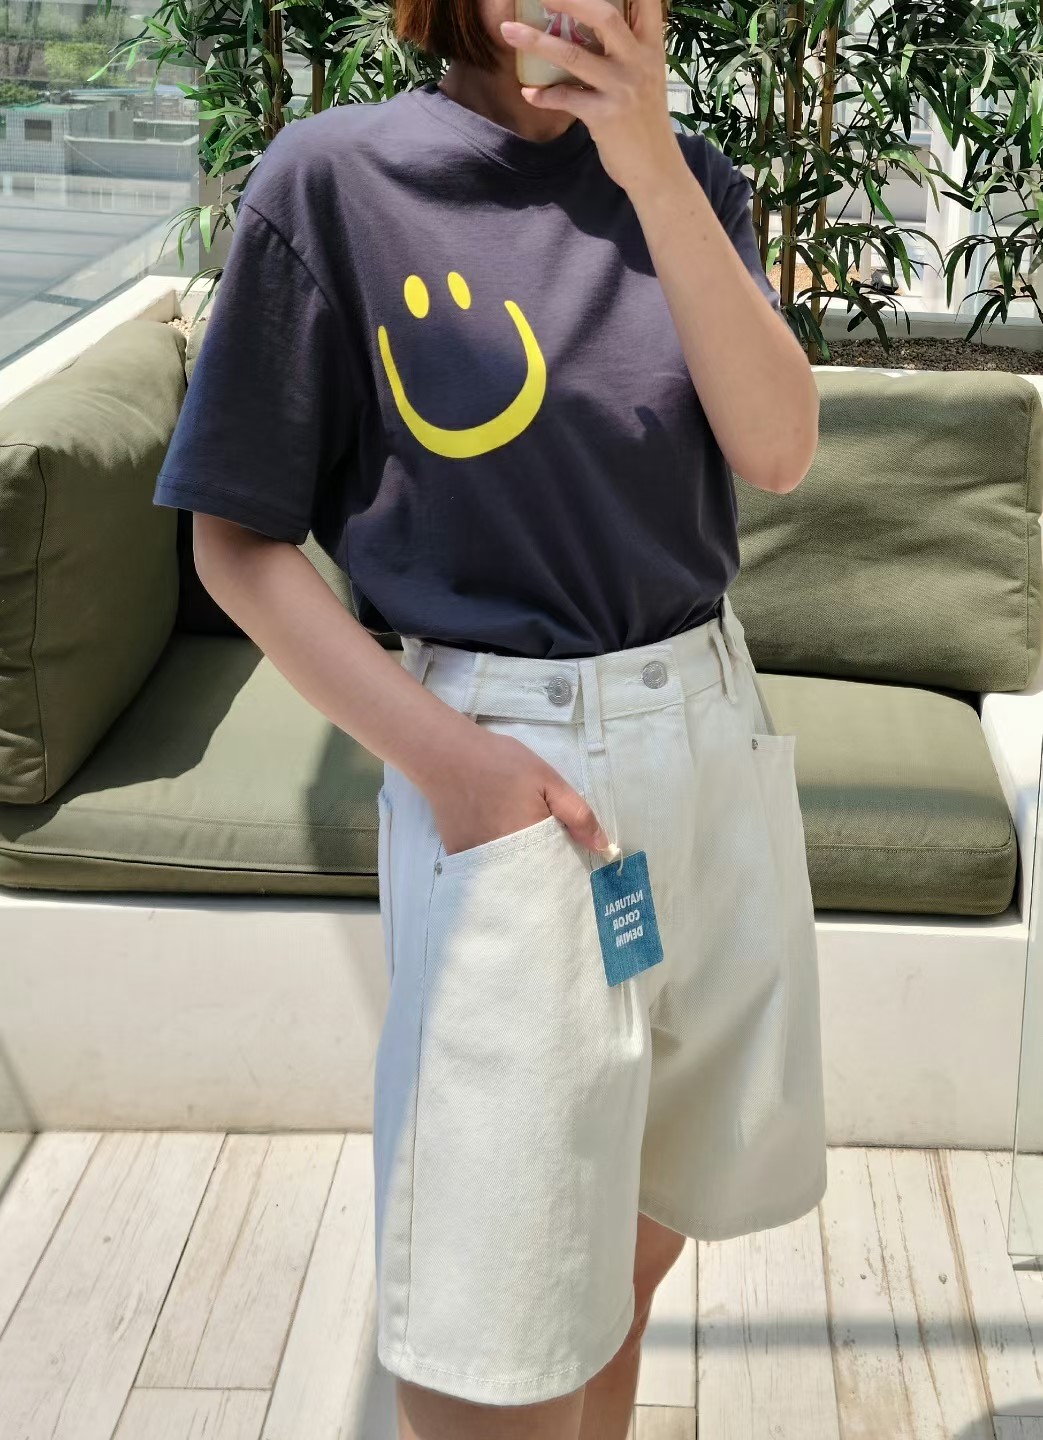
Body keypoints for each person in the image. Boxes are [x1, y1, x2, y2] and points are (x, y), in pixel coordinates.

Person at [152, 0, 826, 1430]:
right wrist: (456, 767)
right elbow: (235, 541)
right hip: (513, 771)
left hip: (707, 737)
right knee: (494, 1323)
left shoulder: (689, 181)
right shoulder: (334, 182)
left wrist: (653, 169)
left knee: (627, 1263)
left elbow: (777, 451)